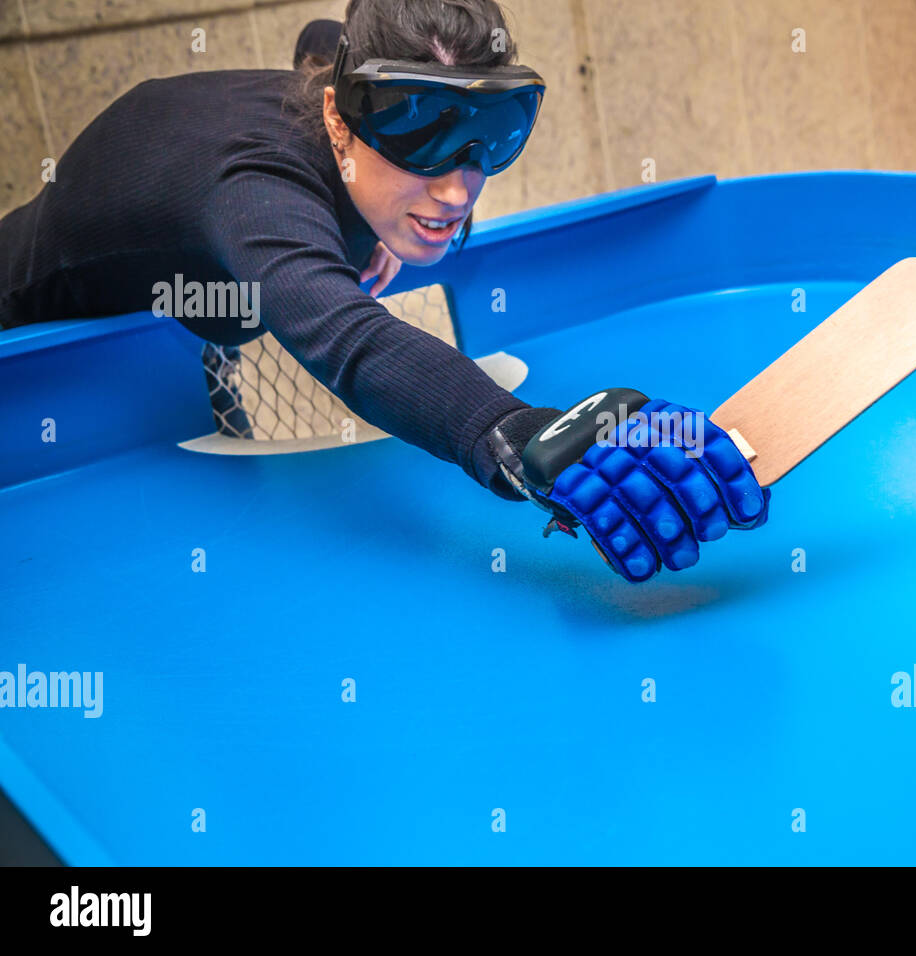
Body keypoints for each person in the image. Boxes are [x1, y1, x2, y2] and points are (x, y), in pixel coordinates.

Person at [0, 0, 768, 582]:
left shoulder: (339, 90)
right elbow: (351, 340)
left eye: (489, 133)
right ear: (337, 116)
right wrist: (520, 433)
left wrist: (381, 212)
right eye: (419, 135)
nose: (457, 187)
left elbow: (321, 38)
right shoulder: (257, 196)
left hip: (194, 271)